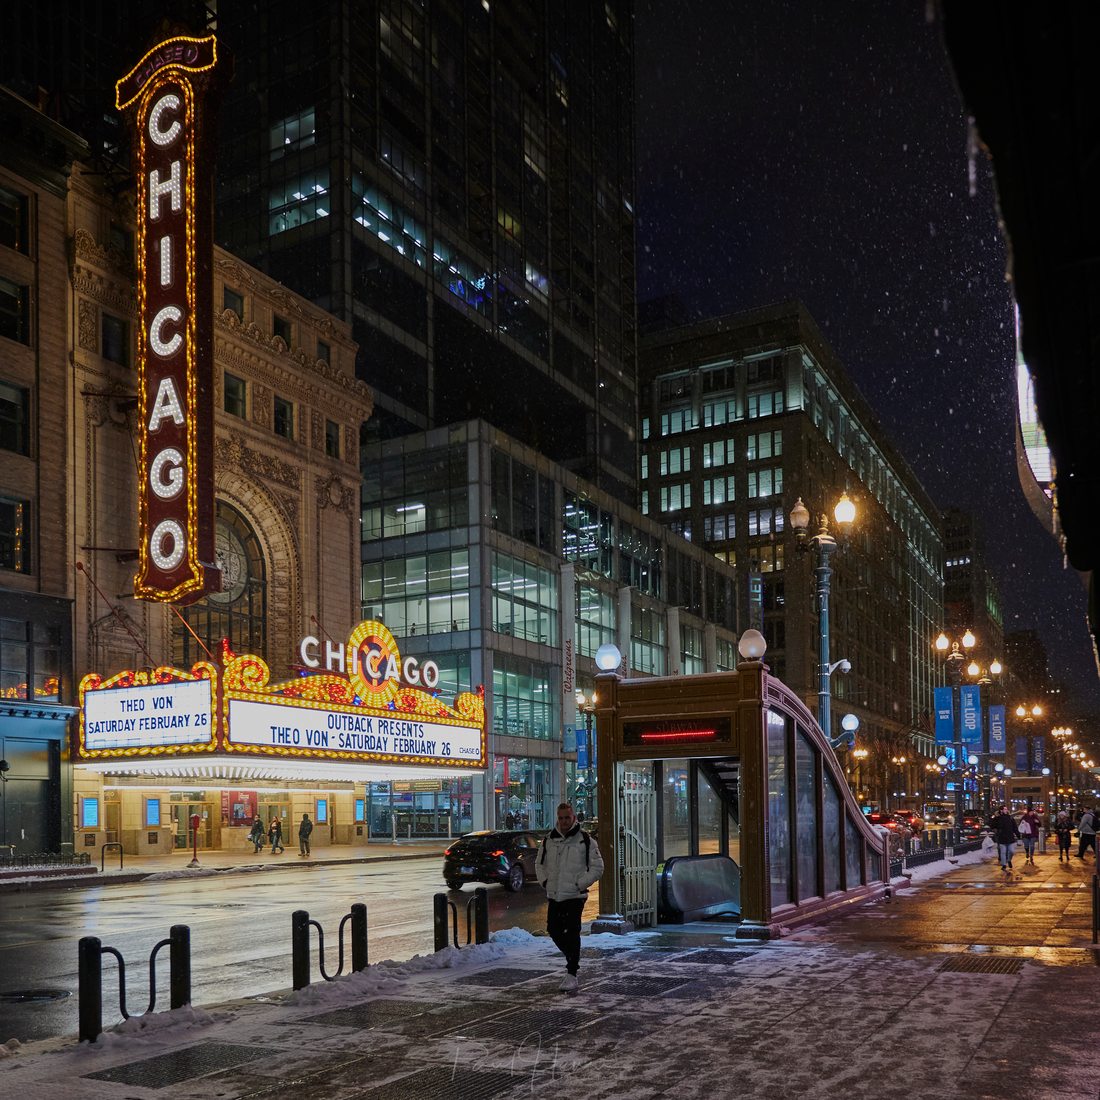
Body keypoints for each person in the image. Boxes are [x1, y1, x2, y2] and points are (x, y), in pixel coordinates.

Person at [536, 802, 604, 993]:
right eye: (561, 817)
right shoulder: (549, 840)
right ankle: (572, 958)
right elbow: (539, 864)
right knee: (554, 929)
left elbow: (598, 867)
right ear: (557, 818)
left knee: (572, 930)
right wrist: (545, 882)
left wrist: (580, 883)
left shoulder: (585, 840)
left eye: (567, 817)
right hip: (555, 894)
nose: (564, 821)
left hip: (575, 895)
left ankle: (572, 973)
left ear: (574, 818)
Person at [988, 805, 1019, 871]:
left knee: (1011, 851)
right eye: (1005, 809)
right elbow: (992, 825)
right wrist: (995, 817)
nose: (1006, 810)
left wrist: (1018, 836)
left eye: (1006, 809)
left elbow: (1015, 827)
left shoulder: (1010, 818)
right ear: (1001, 810)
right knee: (1003, 852)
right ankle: (1004, 865)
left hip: (1010, 838)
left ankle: (1009, 860)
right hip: (1002, 838)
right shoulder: (998, 818)